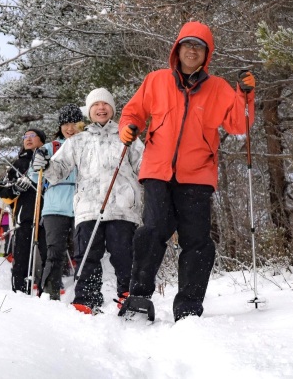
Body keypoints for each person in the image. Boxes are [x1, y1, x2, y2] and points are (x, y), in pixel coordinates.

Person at [118, 21, 256, 321]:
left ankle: (189, 307)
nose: (192, 50)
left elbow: (238, 124)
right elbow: (133, 112)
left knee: (196, 241)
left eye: (199, 46)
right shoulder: (155, 81)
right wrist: (127, 128)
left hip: (197, 175)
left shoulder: (218, 88)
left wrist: (244, 95)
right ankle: (139, 297)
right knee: (152, 231)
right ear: (177, 48)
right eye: (187, 44)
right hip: (157, 171)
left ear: (206, 53)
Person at [33, 88, 144, 314]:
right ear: (89, 112)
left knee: (123, 253)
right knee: (86, 255)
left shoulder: (127, 136)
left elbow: (144, 166)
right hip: (88, 208)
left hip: (122, 206)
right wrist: (45, 165)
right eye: (95, 105)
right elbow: (58, 170)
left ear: (112, 109)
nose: (100, 108)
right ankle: (87, 297)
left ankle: (129, 295)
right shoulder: (78, 141)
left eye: (105, 104)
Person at [37, 104, 85, 300]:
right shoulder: (51, 148)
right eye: (65, 124)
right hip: (55, 207)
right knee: (55, 250)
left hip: (81, 204)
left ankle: (84, 294)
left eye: (73, 123)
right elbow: (35, 176)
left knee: (84, 251)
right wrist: (38, 161)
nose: (69, 128)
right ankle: (50, 291)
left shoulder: (87, 145)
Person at [0, 128, 48, 294]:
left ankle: (48, 290)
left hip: (47, 216)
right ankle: (19, 290)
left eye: (32, 136)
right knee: (21, 257)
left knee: (49, 254)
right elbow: (3, 193)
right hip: (24, 217)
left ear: (41, 140)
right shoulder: (18, 164)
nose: (28, 139)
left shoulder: (50, 159)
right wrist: (16, 189)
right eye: (25, 136)